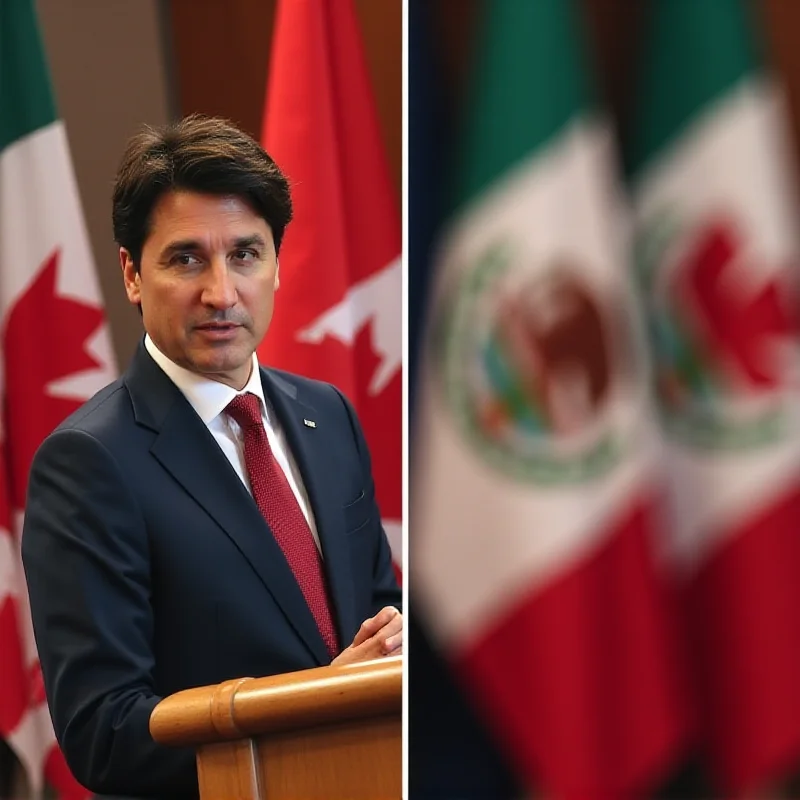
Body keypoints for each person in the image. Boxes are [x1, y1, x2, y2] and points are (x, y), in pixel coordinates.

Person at [21, 115, 402, 800]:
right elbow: (103, 733)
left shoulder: (329, 417)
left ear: (279, 264)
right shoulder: (88, 462)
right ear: (133, 274)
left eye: (246, 255)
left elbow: (379, 626)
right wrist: (318, 701)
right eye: (186, 258)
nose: (222, 293)